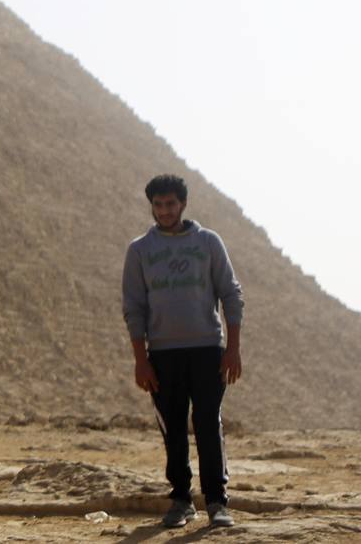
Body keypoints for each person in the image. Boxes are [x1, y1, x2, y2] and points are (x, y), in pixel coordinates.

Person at [122, 174, 245, 528]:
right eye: (158, 205)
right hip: (163, 354)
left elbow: (231, 294)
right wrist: (141, 359)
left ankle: (217, 502)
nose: (164, 211)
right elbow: (133, 307)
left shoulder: (208, 242)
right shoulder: (140, 250)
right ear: (152, 206)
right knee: (172, 428)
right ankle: (180, 500)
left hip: (207, 349)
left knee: (208, 425)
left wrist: (232, 349)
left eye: (171, 204)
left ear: (183, 204)